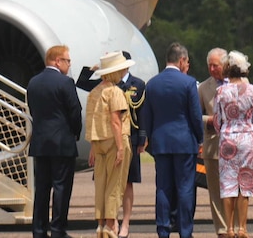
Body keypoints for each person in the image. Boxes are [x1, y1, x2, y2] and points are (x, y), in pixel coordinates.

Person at [139, 42, 204, 238]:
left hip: (161, 142)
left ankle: (163, 229)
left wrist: (148, 137)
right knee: (185, 188)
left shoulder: (152, 83)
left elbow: (146, 115)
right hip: (184, 142)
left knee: (163, 188)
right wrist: (199, 138)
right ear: (182, 60)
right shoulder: (188, 83)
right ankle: (185, 231)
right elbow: (195, 114)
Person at [27, 45, 83, 238]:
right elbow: (75, 112)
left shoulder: (33, 82)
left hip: (41, 143)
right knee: (61, 187)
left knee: (42, 188)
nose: (69, 65)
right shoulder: (65, 83)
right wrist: (75, 132)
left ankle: (39, 230)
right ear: (57, 61)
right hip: (62, 143)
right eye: (67, 61)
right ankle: (58, 230)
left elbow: (33, 111)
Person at [213, 50, 253, 238]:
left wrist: (224, 131)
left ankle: (229, 228)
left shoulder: (221, 91)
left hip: (227, 137)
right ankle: (242, 227)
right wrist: (250, 133)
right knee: (245, 182)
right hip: (247, 138)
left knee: (228, 184)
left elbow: (218, 120)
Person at [86, 52, 134, 238]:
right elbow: (116, 121)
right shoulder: (115, 92)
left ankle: (100, 224)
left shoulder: (94, 93)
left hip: (98, 142)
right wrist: (121, 147)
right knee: (115, 185)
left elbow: (92, 120)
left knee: (101, 184)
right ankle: (110, 225)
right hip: (115, 141)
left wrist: (92, 145)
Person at [197, 47, 230, 238]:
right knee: (216, 192)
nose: (212, 69)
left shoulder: (239, 84)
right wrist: (208, 120)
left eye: (215, 65)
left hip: (235, 146)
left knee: (235, 190)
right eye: (209, 65)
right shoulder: (203, 87)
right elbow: (195, 115)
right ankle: (222, 230)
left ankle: (236, 226)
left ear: (225, 64)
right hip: (213, 145)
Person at [116, 51, 147, 238]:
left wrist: (142, 139)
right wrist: (96, 68)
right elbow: (83, 83)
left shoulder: (138, 84)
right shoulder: (107, 82)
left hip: (131, 137)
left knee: (128, 182)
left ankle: (125, 222)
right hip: (110, 138)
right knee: (109, 183)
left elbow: (142, 113)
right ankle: (111, 220)